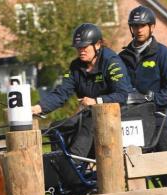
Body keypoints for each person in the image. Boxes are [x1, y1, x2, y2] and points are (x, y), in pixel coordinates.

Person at [32, 23, 133, 159]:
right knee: (55, 128)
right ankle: (59, 164)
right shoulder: (75, 66)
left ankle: (74, 167)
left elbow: (121, 95)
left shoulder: (112, 62)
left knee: (86, 128)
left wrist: (96, 101)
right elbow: (62, 93)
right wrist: (39, 107)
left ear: (97, 45)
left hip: (113, 117)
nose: (81, 51)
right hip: (87, 115)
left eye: (85, 47)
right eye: (78, 48)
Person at [119, 5, 167, 186]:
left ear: (152, 27)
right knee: (137, 176)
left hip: (160, 122)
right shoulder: (122, 57)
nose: (139, 30)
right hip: (134, 126)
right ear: (131, 28)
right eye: (135, 26)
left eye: (143, 26)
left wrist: (151, 101)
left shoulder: (164, 54)